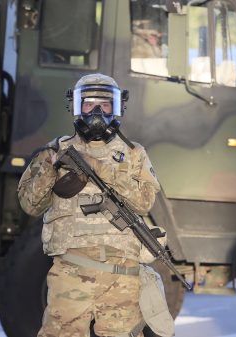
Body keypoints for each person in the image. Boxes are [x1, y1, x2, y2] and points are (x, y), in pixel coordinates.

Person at [18, 73, 171, 337]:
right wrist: (50, 167)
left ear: (117, 107)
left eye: (105, 105)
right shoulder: (56, 150)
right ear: (76, 106)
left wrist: (99, 168)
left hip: (121, 276)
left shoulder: (134, 153)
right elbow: (30, 205)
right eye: (89, 104)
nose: (97, 112)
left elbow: (144, 202)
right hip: (70, 273)